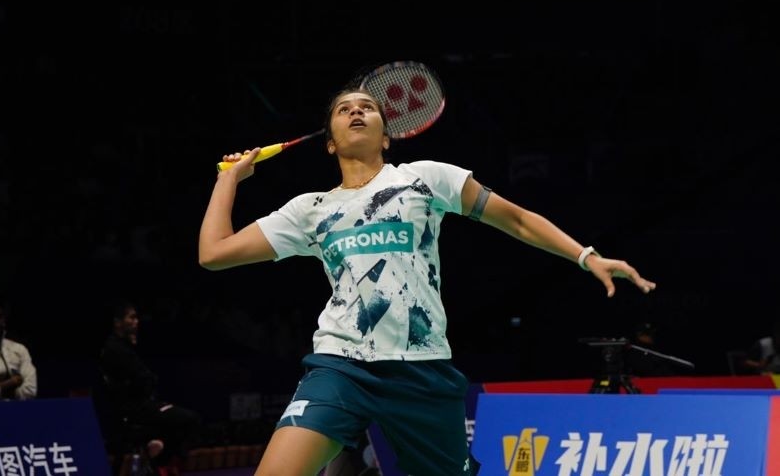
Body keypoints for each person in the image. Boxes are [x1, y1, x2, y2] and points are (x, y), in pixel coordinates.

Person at [198, 86, 657, 475]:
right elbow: (213, 254)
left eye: (367, 107)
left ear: (386, 137)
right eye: (344, 109)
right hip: (341, 367)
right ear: (331, 144)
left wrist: (585, 256)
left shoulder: (424, 179)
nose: (356, 111)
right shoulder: (310, 209)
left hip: (422, 370)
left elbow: (516, 220)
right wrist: (229, 180)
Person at [97, 300, 201, 470]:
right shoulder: (115, 349)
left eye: (137, 318)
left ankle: (157, 452)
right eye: (131, 318)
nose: (136, 322)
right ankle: (160, 461)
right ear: (117, 322)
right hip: (134, 409)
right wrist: (146, 382)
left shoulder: (124, 346)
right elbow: (143, 379)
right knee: (190, 420)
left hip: (140, 405)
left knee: (179, 419)